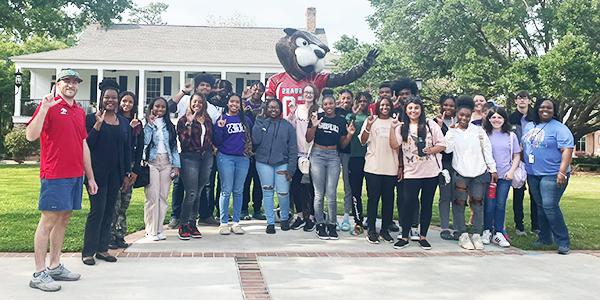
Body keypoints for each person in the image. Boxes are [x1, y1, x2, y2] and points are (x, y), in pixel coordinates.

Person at [26, 69, 97, 291]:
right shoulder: (49, 106)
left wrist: (90, 177)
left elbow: (83, 144)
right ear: (57, 84)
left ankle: (55, 265)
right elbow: (30, 135)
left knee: (64, 219)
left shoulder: (79, 112)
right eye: (66, 80)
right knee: (48, 221)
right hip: (55, 174)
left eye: (75, 82)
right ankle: (39, 273)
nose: (71, 85)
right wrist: (45, 108)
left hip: (76, 174)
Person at [82, 80, 132, 265]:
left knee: (110, 211)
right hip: (96, 174)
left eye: (114, 98)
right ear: (101, 99)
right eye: (107, 97)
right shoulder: (90, 119)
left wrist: (127, 173)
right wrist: (97, 125)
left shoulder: (124, 122)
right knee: (97, 211)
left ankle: (103, 249)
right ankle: (88, 252)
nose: (110, 100)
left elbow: (127, 149)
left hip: (116, 174)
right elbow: (87, 145)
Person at [390, 96, 445, 250]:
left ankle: (423, 236)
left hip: (430, 172)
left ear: (421, 109)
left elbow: (442, 145)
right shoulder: (402, 127)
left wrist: (430, 150)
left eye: (416, 108)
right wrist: (392, 128)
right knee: (408, 204)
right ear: (406, 110)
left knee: (427, 204)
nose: (413, 111)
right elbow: (394, 145)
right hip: (411, 172)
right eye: (410, 108)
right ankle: (404, 236)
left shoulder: (430, 125)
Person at [444, 96, 497, 250]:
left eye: (467, 115)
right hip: (461, 173)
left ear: (471, 115)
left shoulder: (478, 131)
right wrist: (450, 133)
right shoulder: (453, 132)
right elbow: (447, 149)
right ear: (456, 115)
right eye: (461, 115)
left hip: (479, 174)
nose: (464, 118)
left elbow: (487, 150)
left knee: (477, 204)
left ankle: (476, 234)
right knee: (459, 203)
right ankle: (462, 233)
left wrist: (492, 169)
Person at [522, 98, 574, 255]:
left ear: (554, 110)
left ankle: (563, 241)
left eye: (549, 108)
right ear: (537, 109)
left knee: (550, 206)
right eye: (542, 107)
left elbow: (567, 150)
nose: (545, 110)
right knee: (540, 206)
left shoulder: (560, 128)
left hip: (553, 174)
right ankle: (545, 238)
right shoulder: (530, 125)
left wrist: (562, 172)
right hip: (533, 173)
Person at [167, 74, 218, 228]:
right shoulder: (184, 100)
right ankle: (177, 217)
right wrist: (183, 91)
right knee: (182, 187)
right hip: (187, 154)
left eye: (208, 85)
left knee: (200, 188)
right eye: (202, 85)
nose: (205, 88)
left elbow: (212, 132)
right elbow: (169, 106)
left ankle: (197, 219)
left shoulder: (211, 110)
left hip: (205, 155)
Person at [306, 95, 355, 240]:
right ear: (323, 105)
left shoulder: (340, 120)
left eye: (331, 103)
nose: (328, 106)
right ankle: (320, 223)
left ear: (335, 104)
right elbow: (308, 138)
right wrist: (314, 125)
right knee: (319, 193)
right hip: (318, 155)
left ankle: (332, 224)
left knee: (331, 193)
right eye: (326, 104)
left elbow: (343, 144)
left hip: (333, 155)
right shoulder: (317, 117)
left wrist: (350, 135)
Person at [252, 98, 298, 233]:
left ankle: (284, 218)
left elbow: (293, 148)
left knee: (283, 193)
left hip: (282, 164)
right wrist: (258, 122)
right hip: (263, 162)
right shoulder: (262, 122)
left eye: (276, 107)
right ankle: (270, 222)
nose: (273, 110)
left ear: (280, 109)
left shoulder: (287, 126)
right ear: (266, 109)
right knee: (268, 192)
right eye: (270, 107)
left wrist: (291, 168)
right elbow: (255, 139)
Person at [213, 93, 253, 235]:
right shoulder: (222, 119)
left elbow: (251, 139)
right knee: (226, 189)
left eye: (237, 102)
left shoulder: (246, 120)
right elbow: (216, 141)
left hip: (242, 158)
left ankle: (236, 222)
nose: (234, 104)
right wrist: (219, 127)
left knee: (238, 190)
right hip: (225, 157)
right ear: (227, 103)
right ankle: (223, 222)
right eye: (232, 102)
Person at [361, 98, 399, 244]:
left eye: (387, 105)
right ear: (377, 106)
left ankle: (384, 230)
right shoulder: (371, 120)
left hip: (391, 168)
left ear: (391, 107)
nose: (384, 107)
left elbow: (399, 146)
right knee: (373, 200)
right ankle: (371, 229)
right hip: (373, 168)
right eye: (382, 105)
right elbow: (363, 140)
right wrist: (368, 126)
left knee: (388, 201)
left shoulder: (395, 122)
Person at [109, 91, 144, 250]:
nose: (126, 104)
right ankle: (109, 236)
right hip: (117, 166)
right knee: (114, 203)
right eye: (124, 101)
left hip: (130, 167)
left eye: (130, 102)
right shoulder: (115, 120)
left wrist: (135, 170)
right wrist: (128, 129)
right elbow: (119, 144)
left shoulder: (138, 123)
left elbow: (139, 149)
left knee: (124, 203)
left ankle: (120, 235)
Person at [176, 93, 214, 240]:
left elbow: (210, 138)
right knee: (191, 192)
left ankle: (193, 223)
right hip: (189, 158)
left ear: (204, 104)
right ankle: (183, 223)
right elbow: (184, 143)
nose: (197, 104)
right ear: (190, 103)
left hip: (206, 157)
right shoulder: (183, 120)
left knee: (199, 191)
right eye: (194, 102)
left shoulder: (208, 119)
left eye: (200, 102)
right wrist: (189, 125)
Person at [482, 106, 520, 247]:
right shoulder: (484, 134)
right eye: (493, 117)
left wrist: (511, 171)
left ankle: (498, 232)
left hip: (505, 176)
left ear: (504, 119)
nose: (496, 120)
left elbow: (516, 155)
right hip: (488, 176)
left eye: (499, 117)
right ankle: (487, 230)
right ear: (489, 119)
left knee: (500, 204)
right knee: (489, 204)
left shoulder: (511, 135)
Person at [143, 97, 181, 241]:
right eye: (157, 106)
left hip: (166, 162)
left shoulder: (170, 125)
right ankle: (150, 230)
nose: (160, 109)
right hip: (151, 162)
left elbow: (174, 147)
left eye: (163, 107)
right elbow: (145, 143)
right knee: (152, 197)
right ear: (152, 107)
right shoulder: (146, 123)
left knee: (163, 197)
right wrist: (150, 124)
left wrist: (176, 166)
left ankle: (159, 229)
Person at [286, 83, 320, 232]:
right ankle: (300, 215)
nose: (308, 95)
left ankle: (311, 217)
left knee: (311, 187)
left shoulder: (319, 110)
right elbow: (289, 127)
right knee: (296, 186)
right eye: (306, 92)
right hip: (298, 153)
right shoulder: (298, 109)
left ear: (315, 94)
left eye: (311, 92)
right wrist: (291, 114)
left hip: (313, 153)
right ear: (302, 94)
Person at [508, 90, 539, 235]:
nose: (521, 101)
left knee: (535, 194)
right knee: (518, 194)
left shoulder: (536, 117)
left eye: (524, 98)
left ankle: (536, 226)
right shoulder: (510, 118)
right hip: (517, 161)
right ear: (515, 101)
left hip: (534, 161)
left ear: (529, 101)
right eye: (519, 98)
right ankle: (519, 226)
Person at [346, 91, 371, 232]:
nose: (362, 103)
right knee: (356, 191)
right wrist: (353, 116)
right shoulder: (351, 116)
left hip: (370, 158)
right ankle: (358, 220)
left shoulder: (372, 117)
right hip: (354, 157)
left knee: (371, 191)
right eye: (360, 101)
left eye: (365, 101)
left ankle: (370, 219)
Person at [434, 95, 457, 240]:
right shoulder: (434, 122)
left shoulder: (461, 121)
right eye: (445, 105)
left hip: (459, 163)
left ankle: (457, 226)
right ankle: (444, 227)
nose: (448, 108)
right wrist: (442, 127)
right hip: (443, 164)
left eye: (451, 105)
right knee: (445, 195)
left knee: (457, 196)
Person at [242, 82, 266, 220]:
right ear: (251, 90)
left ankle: (257, 209)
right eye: (255, 89)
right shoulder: (244, 104)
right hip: (245, 148)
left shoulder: (265, 107)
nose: (257, 91)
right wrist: (243, 100)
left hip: (260, 149)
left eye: (260, 89)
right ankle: (244, 209)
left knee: (258, 181)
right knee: (245, 181)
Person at [336, 89, 354, 231]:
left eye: (348, 98)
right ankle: (333, 217)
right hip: (333, 153)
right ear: (339, 99)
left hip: (348, 153)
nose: (346, 101)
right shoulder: (333, 111)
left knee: (348, 186)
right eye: (344, 98)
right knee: (332, 186)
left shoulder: (355, 114)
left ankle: (346, 217)